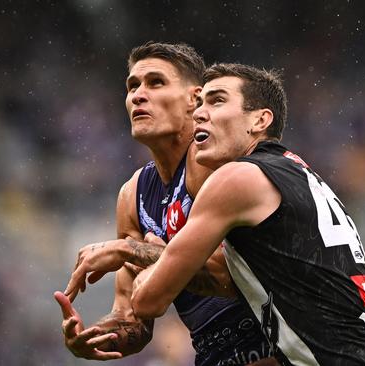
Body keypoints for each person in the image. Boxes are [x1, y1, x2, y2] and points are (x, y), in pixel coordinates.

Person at [114, 63, 365, 365]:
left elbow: (148, 299)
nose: (199, 114)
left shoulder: (237, 178)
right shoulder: (295, 175)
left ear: (260, 119)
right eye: (200, 103)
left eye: (217, 100)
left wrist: (142, 259)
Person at [56, 43, 275, 365]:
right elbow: (134, 318)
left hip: (278, 349)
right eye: (133, 86)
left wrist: (133, 252)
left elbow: (239, 276)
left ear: (195, 99)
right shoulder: (132, 196)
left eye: (156, 82)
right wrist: (102, 336)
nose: (138, 96)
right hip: (215, 356)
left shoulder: (218, 165)